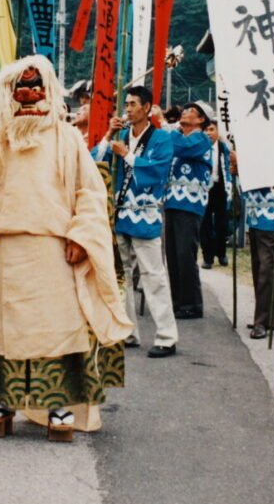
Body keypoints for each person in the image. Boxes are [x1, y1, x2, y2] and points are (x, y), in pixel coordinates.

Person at [0, 56, 133, 438]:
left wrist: (82, 236)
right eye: (21, 89)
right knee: (2, 328)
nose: (29, 96)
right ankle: (0, 401)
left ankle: (58, 405)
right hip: (4, 250)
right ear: (9, 95)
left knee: (57, 327)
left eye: (37, 88)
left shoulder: (67, 137)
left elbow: (89, 190)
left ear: (49, 93)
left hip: (55, 248)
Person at [95, 85, 177, 357]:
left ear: (146, 108)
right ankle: (127, 331)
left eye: (132, 104)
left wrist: (127, 155)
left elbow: (157, 171)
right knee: (121, 278)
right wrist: (108, 135)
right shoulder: (121, 135)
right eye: (126, 104)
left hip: (145, 213)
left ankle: (166, 336)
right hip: (120, 214)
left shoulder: (162, 138)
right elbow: (95, 160)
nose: (128, 109)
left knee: (154, 276)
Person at [163, 102, 213, 319]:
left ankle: (192, 304)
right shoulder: (179, 137)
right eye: (184, 110)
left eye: (191, 111)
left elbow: (181, 148)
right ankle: (178, 302)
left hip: (190, 203)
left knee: (185, 254)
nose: (184, 112)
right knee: (173, 255)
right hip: (172, 202)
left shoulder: (201, 138)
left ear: (202, 119)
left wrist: (167, 126)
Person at [232, 150, 274, 340]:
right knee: (259, 266)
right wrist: (237, 170)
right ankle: (271, 316)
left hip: (270, 214)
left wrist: (243, 161)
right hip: (255, 214)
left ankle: (262, 320)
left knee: (266, 267)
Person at [199, 122, 232, 269]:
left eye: (211, 129)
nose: (208, 133)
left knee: (222, 223)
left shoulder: (224, 147)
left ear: (218, 131)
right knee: (205, 224)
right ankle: (208, 257)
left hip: (220, 187)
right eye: (205, 130)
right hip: (204, 188)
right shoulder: (199, 147)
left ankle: (222, 253)